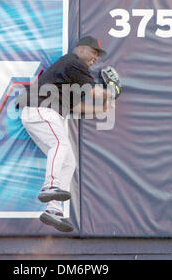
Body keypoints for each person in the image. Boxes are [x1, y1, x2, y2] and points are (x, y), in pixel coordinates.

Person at [15, 36, 110, 232]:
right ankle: (50, 186)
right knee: (61, 145)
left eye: (98, 55)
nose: (95, 58)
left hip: (42, 113)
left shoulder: (72, 74)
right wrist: (112, 91)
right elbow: (95, 92)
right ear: (82, 49)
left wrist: (103, 110)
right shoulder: (73, 62)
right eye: (94, 52)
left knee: (68, 162)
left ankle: (53, 209)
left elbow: (76, 107)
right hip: (40, 109)